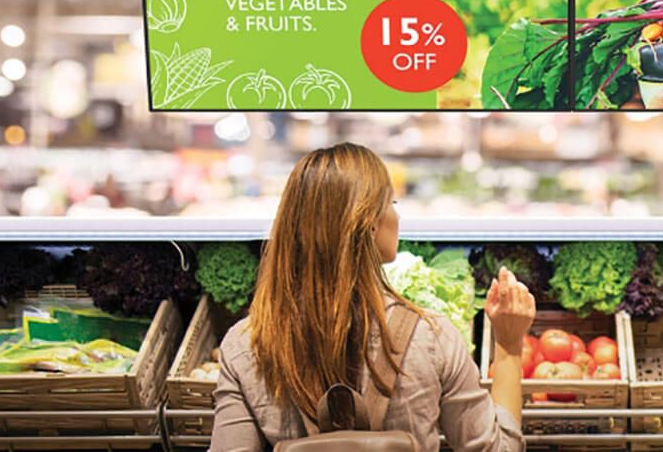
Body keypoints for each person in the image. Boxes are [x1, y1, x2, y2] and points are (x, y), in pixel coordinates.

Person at [211, 142, 534, 451]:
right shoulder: (432, 338)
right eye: (391, 203)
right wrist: (508, 348)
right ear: (369, 226)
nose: (396, 215)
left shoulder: (245, 345)